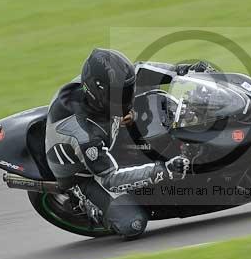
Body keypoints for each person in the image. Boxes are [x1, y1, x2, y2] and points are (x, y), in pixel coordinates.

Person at [44, 48, 211, 238]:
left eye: (127, 91)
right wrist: (162, 170)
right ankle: (85, 200)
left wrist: (183, 71)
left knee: (154, 115)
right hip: (86, 174)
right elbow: (111, 179)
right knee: (133, 224)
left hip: (101, 128)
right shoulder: (85, 136)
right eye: (121, 94)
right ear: (99, 93)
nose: (128, 96)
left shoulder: (98, 86)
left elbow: (138, 69)